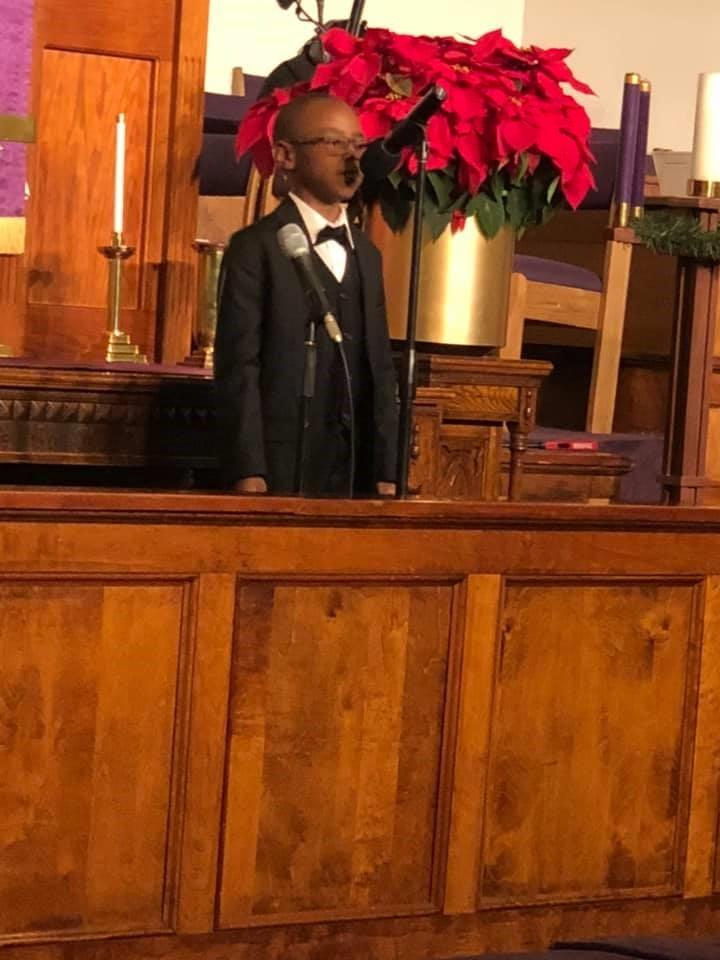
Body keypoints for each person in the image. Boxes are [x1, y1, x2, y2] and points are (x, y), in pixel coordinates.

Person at [214, 93, 399, 497]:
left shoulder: (367, 254)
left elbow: (380, 367)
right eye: (333, 143)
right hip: (282, 465)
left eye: (358, 144)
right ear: (286, 155)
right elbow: (239, 367)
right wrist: (249, 469)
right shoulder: (255, 247)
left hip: (354, 468)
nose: (351, 157)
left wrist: (387, 468)